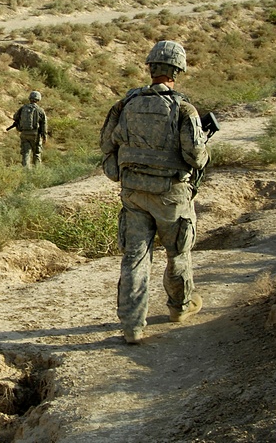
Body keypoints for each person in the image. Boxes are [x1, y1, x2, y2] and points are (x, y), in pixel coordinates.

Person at [100, 40, 209, 344]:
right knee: (178, 254)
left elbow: (106, 145)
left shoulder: (126, 104)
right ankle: (180, 307)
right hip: (171, 196)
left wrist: (122, 173)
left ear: (150, 68)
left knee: (135, 257)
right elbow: (196, 157)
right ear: (178, 70)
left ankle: (132, 326)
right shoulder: (184, 109)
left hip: (134, 193)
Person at [8, 90, 48, 168]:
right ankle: (38, 172)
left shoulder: (23, 108)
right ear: (38, 99)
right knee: (36, 154)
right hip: (35, 135)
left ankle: (26, 172)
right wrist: (44, 136)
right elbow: (44, 124)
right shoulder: (40, 110)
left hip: (24, 134)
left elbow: (15, 117)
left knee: (25, 153)